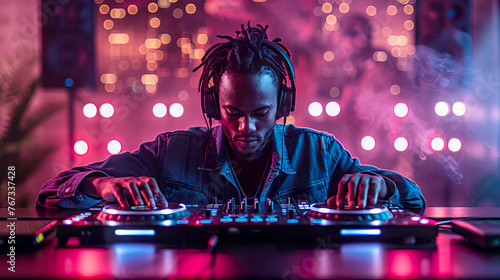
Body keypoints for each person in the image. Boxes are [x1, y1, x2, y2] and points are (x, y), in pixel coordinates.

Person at [35, 23, 425, 210]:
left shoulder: (319, 153)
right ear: (211, 105)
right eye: (232, 113)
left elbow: (413, 200)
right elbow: (52, 192)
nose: (245, 128)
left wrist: (381, 187)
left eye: (260, 114)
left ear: (283, 106)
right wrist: (103, 187)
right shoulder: (172, 152)